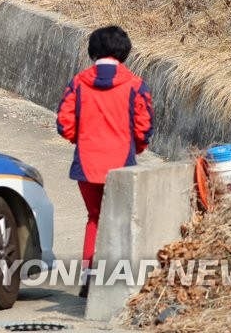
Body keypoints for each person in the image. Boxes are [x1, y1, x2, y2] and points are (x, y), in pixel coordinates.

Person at [57, 25, 153, 298]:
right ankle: (118, 282)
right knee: (121, 221)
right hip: (121, 164)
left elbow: (64, 124)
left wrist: (82, 139)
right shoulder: (135, 84)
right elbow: (144, 126)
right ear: (124, 51)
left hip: (86, 164)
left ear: (93, 51)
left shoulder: (78, 82)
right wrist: (138, 147)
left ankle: (89, 278)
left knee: (95, 219)